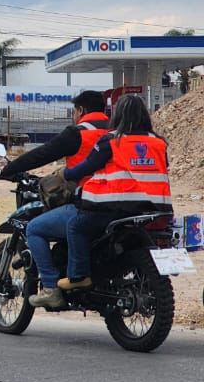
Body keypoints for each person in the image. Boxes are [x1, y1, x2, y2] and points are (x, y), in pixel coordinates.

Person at [27, 94, 172, 308]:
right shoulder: (158, 142)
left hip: (114, 207)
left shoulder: (112, 140)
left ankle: (77, 277)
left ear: (118, 116)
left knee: (76, 225)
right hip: (154, 208)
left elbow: (86, 167)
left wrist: (65, 174)